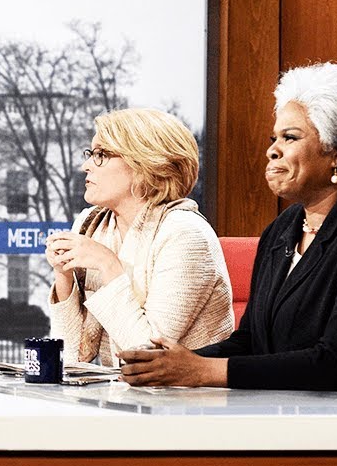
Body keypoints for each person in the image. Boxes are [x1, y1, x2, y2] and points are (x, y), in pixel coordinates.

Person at [119, 62, 337, 401]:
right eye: (274, 138)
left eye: (290, 138)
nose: (272, 150)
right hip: (289, 414)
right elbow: (250, 342)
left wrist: (201, 372)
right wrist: (170, 364)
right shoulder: (282, 229)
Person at [45, 108, 233, 367]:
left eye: (100, 155)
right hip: (121, 389)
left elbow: (146, 356)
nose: (85, 166)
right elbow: (71, 357)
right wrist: (64, 276)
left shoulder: (185, 234)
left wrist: (108, 264)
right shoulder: (93, 225)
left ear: (144, 164)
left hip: (183, 391)